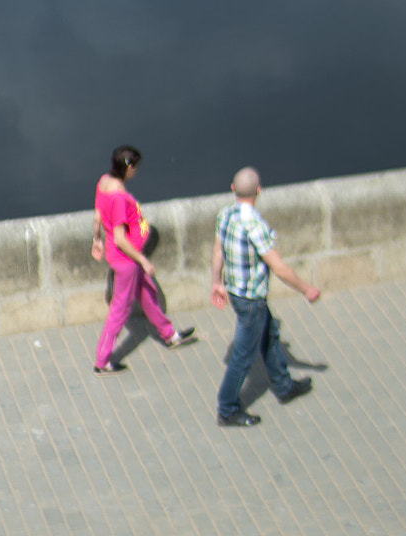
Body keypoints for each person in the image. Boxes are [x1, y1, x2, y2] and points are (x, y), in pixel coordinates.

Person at [209, 166, 320, 426]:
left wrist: (216, 283)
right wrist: (306, 289)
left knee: (270, 336)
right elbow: (279, 267)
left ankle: (283, 386)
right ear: (259, 191)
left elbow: (217, 253)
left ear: (233, 189)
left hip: (235, 292)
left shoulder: (225, 215)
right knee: (243, 357)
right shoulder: (256, 225)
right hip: (252, 300)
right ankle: (227, 409)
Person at [91, 145, 194, 374]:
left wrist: (97, 239)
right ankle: (103, 360)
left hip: (122, 258)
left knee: (147, 293)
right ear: (129, 169)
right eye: (136, 167)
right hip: (127, 260)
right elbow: (120, 238)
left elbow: (98, 215)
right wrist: (143, 260)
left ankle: (169, 335)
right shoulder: (118, 197)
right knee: (119, 311)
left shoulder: (103, 182)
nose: (137, 171)